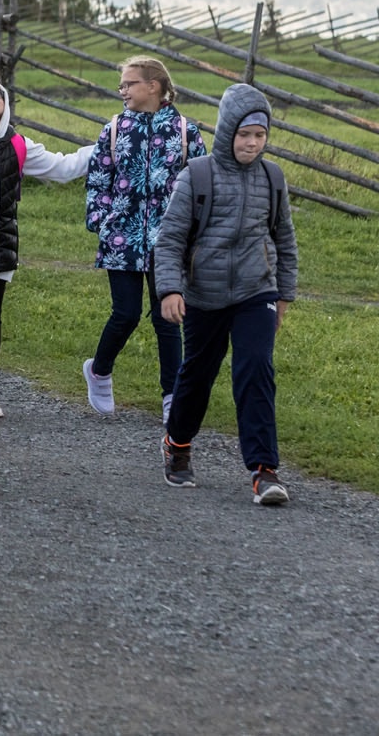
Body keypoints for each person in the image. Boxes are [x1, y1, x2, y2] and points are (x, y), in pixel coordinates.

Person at [155, 83, 297, 505]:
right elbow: (169, 240)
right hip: (203, 295)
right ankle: (177, 445)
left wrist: (284, 293)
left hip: (257, 291)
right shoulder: (197, 175)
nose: (252, 143)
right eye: (244, 134)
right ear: (227, 131)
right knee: (197, 375)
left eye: (260, 135)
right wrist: (170, 289)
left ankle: (264, 469)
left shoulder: (272, 178)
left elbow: (284, 239)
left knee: (255, 368)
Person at [0, 78, 94, 422]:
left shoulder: (19, 145)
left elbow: (63, 167)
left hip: (1, 246)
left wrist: (102, 147)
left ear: (6, 102)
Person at [84, 56, 208, 422]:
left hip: (169, 241)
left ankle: (172, 396)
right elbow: (98, 179)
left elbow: (202, 185)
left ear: (153, 86)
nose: (122, 90)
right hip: (121, 237)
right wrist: (101, 221)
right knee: (125, 314)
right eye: (122, 85)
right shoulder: (115, 129)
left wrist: (195, 230)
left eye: (128, 84)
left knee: (167, 318)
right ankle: (99, 370)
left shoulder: (186, 131)